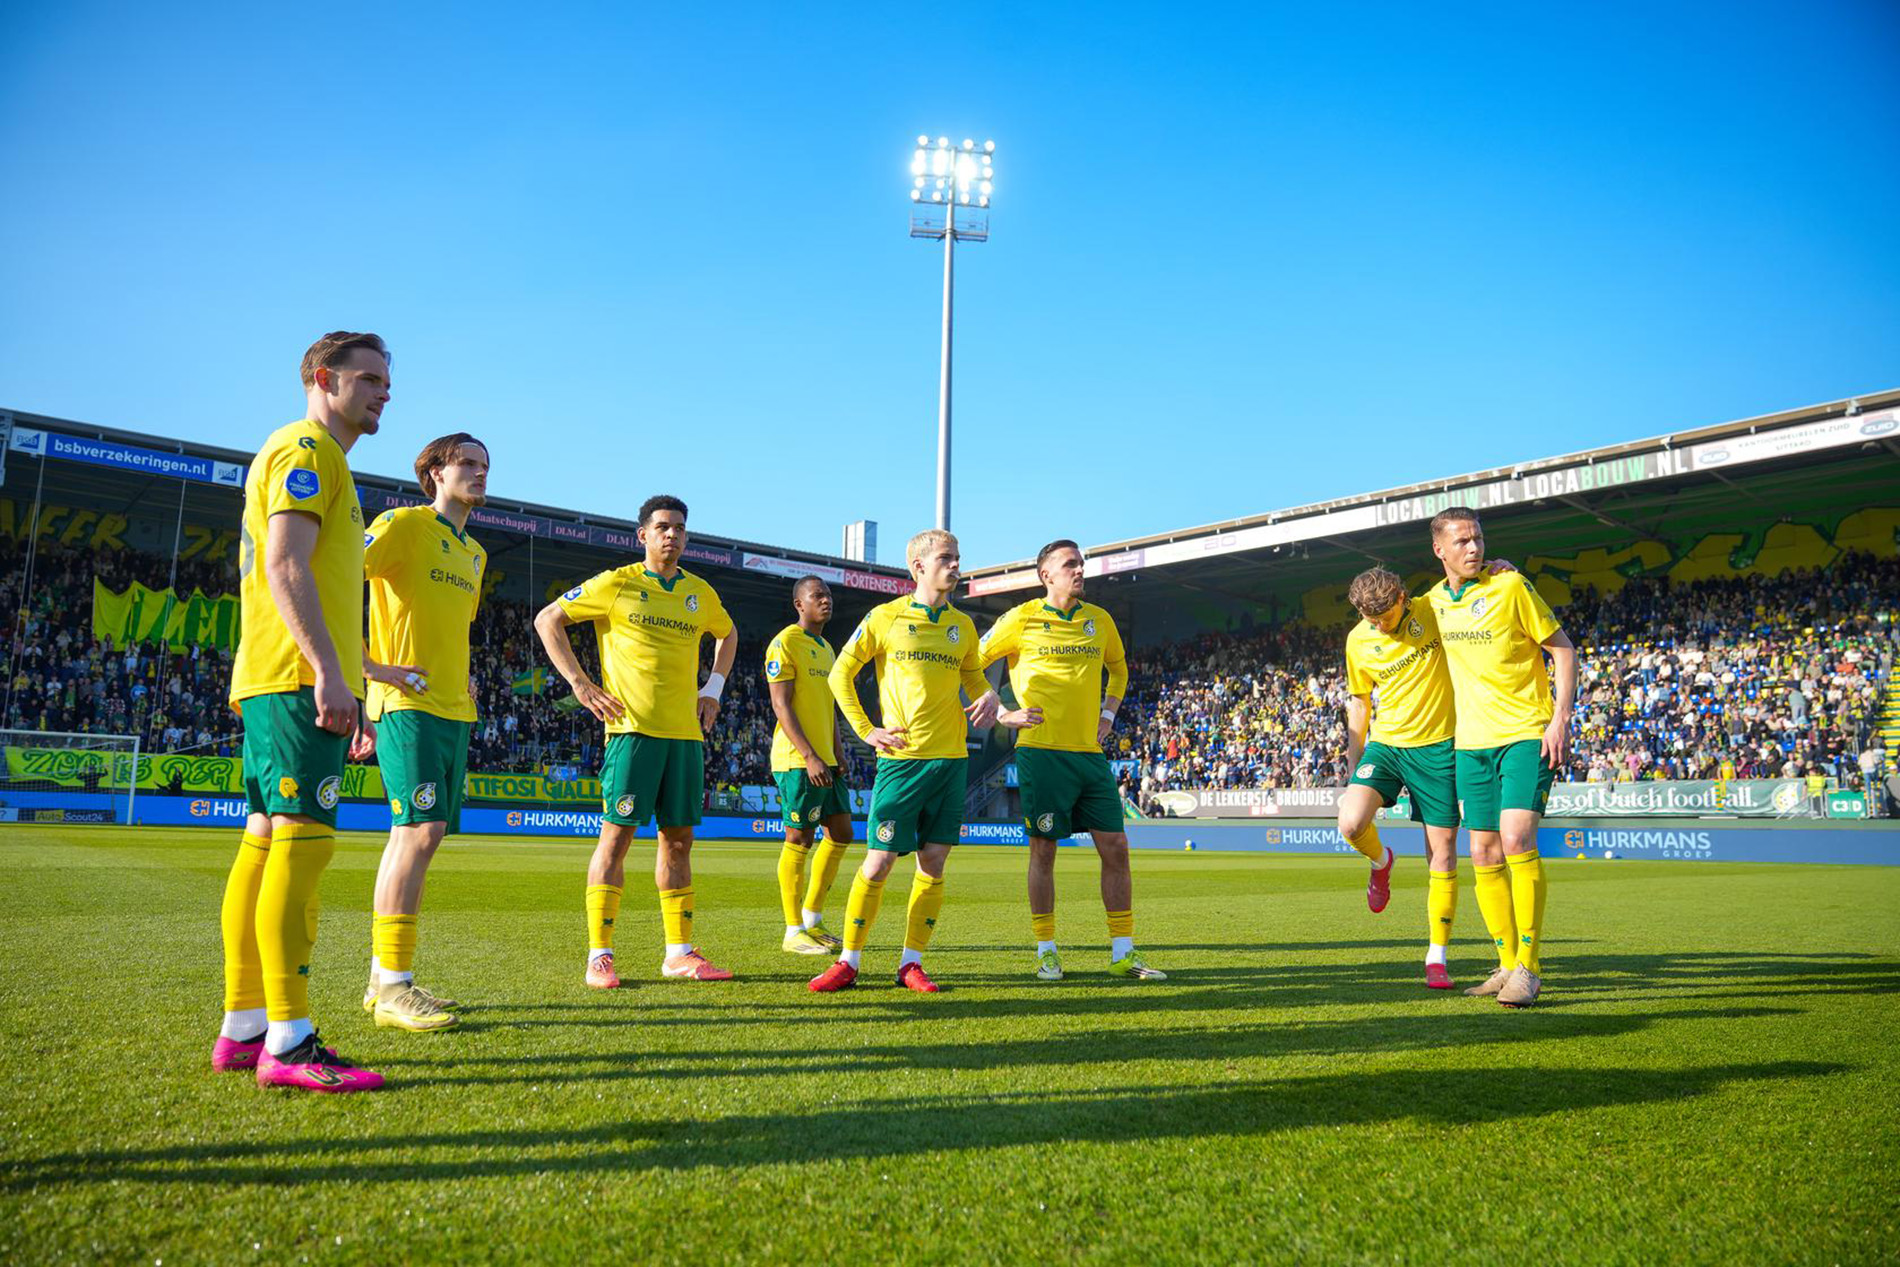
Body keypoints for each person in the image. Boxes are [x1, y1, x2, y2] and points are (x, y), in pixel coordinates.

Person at [214, 331, 388, 1091]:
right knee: (302, 846)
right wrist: (327, 671)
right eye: (371, 378)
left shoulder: (325, 459)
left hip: (275, 676)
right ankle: (288, 1041)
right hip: (292, 678)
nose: (386, 391)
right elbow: (286, 563)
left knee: (262, 845)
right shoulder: (308, 450)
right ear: (324, 378)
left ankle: (245, 1027)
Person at [809, 529, 1035, 993]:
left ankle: (911, 963)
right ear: (919, 566)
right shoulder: (885, 617)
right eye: (947, 559)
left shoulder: (963, 627)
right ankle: (848, 961)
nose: (956, 566)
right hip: (903, 762)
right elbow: (840, 674)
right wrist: (867, 730)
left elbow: (973, 678)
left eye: (958, 558)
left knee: (933, 863)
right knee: (879, 861)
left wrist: (999, 707)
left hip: (951, 762)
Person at [534, 494, 739, 987]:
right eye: (663, 527)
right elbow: (548, 620)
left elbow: (727, 634)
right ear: (643, 535)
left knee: (679, 842)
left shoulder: (699, 592)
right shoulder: (616, 584)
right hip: (632, 732)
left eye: (680, 528)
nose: (673, 535)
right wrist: (581, 685)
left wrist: (712, 688)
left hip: (685, 736)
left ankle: (679, 953)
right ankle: (599, 955)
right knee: (617, 838)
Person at [978, 539, 1163, 982]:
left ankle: (1123, 952)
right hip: (1040, 752)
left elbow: (1118, 670)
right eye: (1069, 565)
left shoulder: (1099, 621)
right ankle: (1046, 951)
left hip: (1089, 754)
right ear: (1047, 575)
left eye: (1081, 563)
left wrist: (1107, 714)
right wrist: (1002, 711)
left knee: (1116, 848)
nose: (1080, 570)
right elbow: (971, 662)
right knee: (1044, 849)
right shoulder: (1020, 618)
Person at [358, 434, 490, 1032]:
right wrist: (369, 673)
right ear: (434, 472)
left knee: (414, 835)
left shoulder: (476, 555)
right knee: (419, 830)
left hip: (451, 710)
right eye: (467, 463)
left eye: (485, 467)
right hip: (406, 704)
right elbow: (332, 574)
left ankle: (384, 977)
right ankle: (395, 987)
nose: (479, 474)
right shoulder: (403, 525)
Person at [1428, 508, 1577, 1008]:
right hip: (1469, 743)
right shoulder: (1431, 605)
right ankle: (1507, 962)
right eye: (1463, 542)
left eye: (1479, 539)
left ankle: (1530, 970)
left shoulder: (1512, 587)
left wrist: (1559, 719)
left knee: (1516, 839)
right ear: (1440, 550)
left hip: (1525, 734)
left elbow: (1563, 649)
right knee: (1482, 853)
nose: (1474, 549)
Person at [1336, 565, 1463, 989]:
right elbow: (1359, 701)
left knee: (1441, 854)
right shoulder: (1358, 639)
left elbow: (1469, 582)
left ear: (1404, 599)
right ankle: (1381, 861)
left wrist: (1501, 569)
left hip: (1438, 746)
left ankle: (1436, 956)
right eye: (1371, 620)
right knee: (1351, 822)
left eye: (1385, 619)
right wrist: (1354, 763)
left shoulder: (1433, 609)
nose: (1379, 627)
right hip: (1386, 745)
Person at [766, 577, 855, 955]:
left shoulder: (827, 649)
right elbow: (781, 704)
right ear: (799, 604)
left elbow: (829, 707)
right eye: (817, 596)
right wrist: (809, 755)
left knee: (842, 833)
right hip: (797, 760)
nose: (826, 601)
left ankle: (813, 921)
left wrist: (837, 752)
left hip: (826, 759)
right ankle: (793, 930)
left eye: (829, 595)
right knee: (799, 838)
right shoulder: (785, 643)